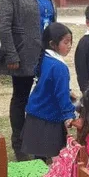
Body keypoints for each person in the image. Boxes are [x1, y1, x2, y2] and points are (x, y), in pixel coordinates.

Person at [0, 0, 57, 161]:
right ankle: (20, 145)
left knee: (43, 98)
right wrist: (11, 54)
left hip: (45, 54)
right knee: (21, 98)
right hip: (22, 54)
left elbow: (52, 22)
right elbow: (3, 25)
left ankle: (41, 144)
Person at [21, 23, 75, 160]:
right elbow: (61, 95)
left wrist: (67, 91)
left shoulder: (44, 58)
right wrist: (69, 115)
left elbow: (49, 84)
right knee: (53, 155)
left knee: (38, 156)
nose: (69, 46)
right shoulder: (59, 67)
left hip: (35, 113)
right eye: (66, 42)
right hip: (48, 117)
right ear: (53, 44)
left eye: (71, 42)